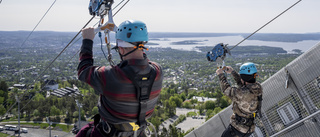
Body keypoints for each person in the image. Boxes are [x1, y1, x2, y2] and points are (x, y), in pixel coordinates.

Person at [76, 20, 163, 137]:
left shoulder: (112, 76)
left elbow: (83, 71)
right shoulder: (157, 71)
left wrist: (87, 40)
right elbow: (143, 63)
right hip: (138, 132)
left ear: (121, 49)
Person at [217, 63, 263, 137]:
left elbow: (226, 90)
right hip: (249, 129)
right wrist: (233, 72)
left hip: (237, 129)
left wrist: (221, 75)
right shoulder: (258, 87)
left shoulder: (241, 94)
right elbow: (243, 84)